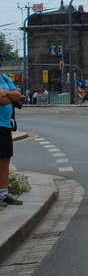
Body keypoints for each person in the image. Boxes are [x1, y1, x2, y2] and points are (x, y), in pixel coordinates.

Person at [0, 57, 24, 207]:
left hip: (5, 125)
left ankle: (3, 194)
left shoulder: (4, 77)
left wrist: (5, 93)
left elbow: (19, 95)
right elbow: (2, 100)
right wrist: (9, 95)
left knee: (5, 159)